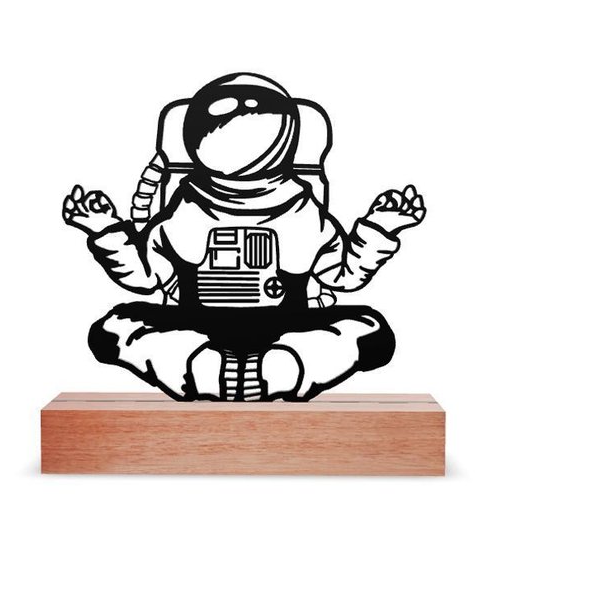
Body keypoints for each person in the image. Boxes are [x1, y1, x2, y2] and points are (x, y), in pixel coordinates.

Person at [62, 73, 426, 401]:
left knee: (371, 331)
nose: (239, 109)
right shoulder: (181, 213)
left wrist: (381, 227)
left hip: (286, 326)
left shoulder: (306, 214)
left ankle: (287, 368)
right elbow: (145, 277)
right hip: (197, 324)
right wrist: (104, 229)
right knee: (113, 329)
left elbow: (343, 277)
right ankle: (198, 367)